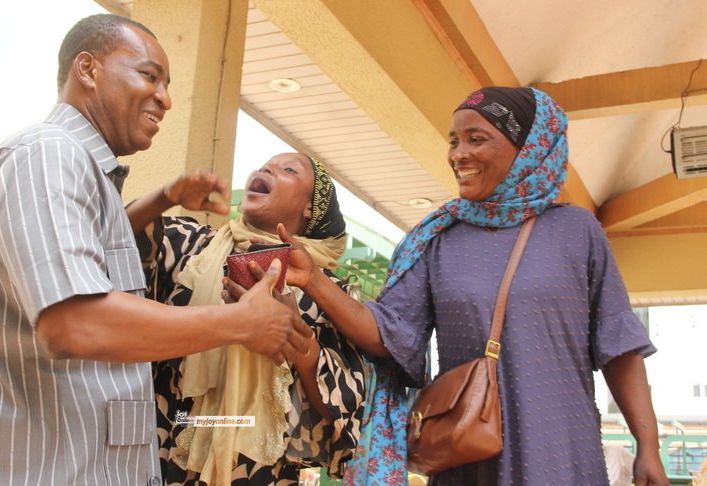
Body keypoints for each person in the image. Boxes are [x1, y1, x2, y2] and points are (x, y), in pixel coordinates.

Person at [0, 14, 308, 486]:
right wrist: (240, 323)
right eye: (149, 76)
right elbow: (73, 321)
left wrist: (163, 197)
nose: (166, 98)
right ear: (87, 70)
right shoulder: (47, 154)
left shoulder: (83, 172)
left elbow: (87, 257)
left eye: (167, 84)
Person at [279, 87, 669, 485]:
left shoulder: (577, 230)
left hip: (563, 453)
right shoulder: (438, 239)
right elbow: (389, 334)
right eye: (454, 141)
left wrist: (648, 446)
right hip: (470, 458)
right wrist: (313, 280)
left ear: (528, 148)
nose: (457, 154)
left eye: (476, 139)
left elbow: (618, 346)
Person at [126, 152, 366, 485]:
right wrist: (164, 196)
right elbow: (117, 238)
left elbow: (345, 407)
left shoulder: (324, 289)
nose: (267, 168)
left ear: (309, 208)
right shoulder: (192, 245)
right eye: (266, 163)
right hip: (168, 440)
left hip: (261, 470)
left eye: (288, 170)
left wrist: (298, 342)